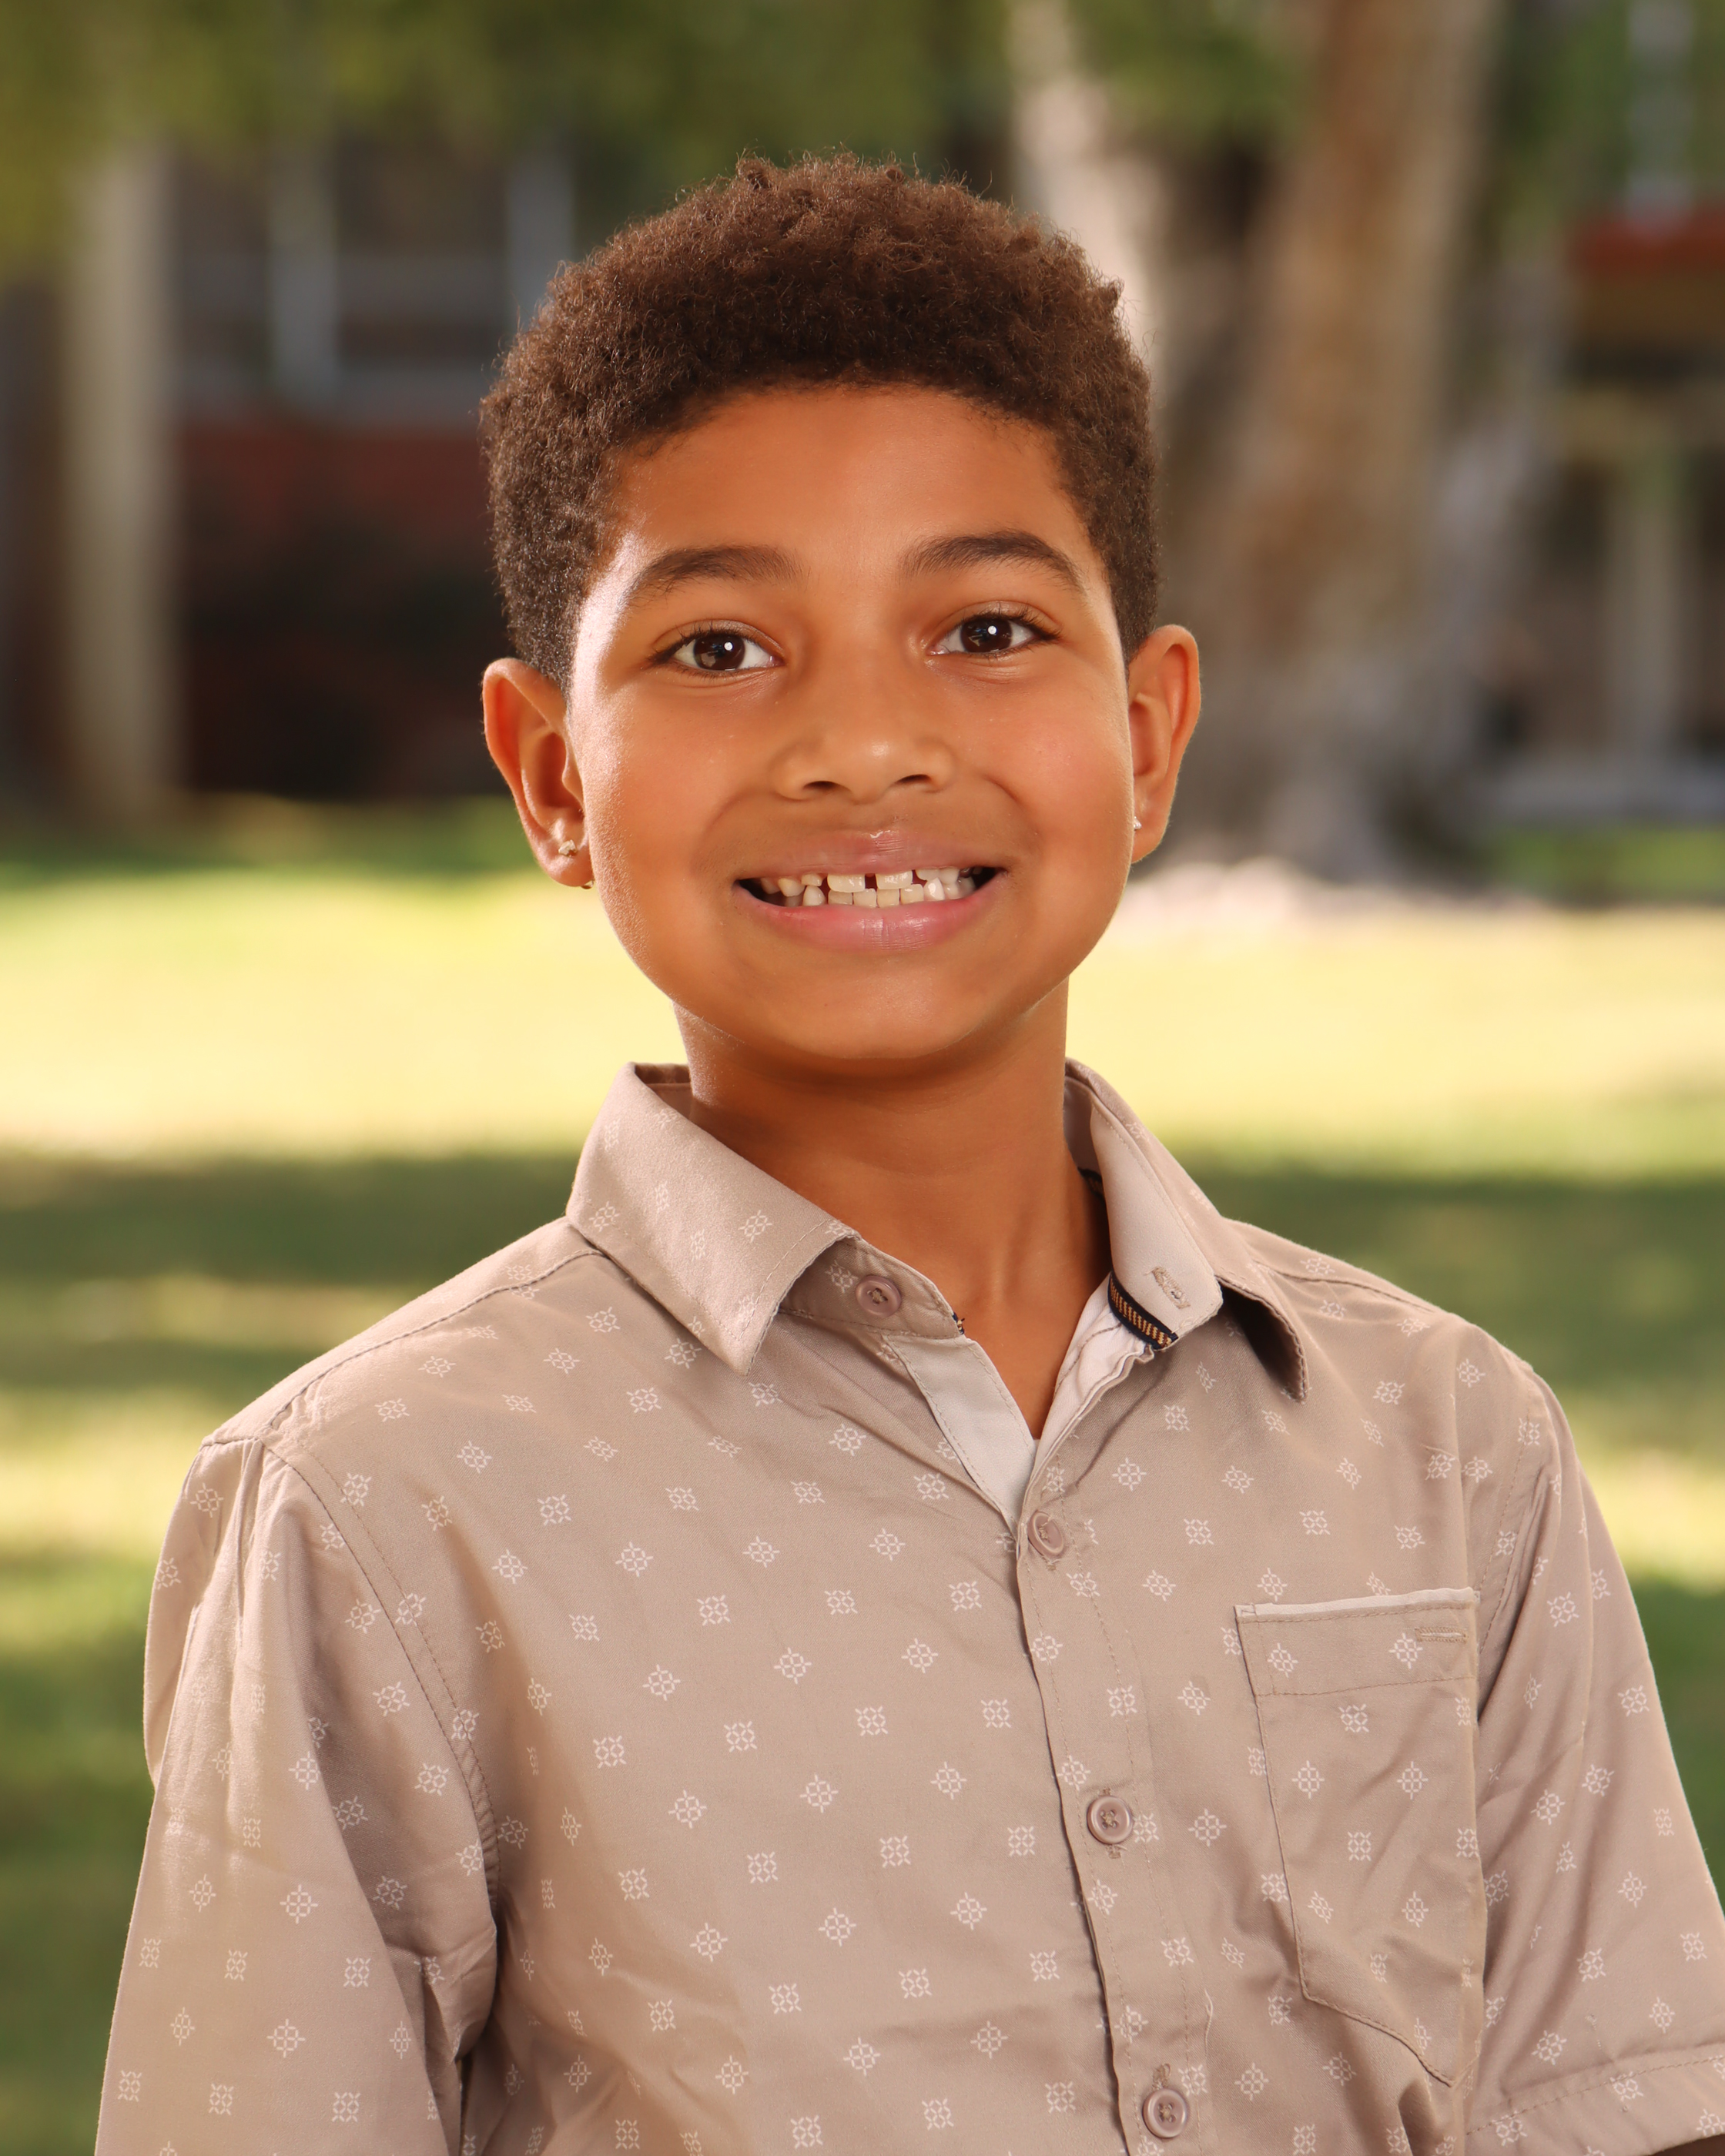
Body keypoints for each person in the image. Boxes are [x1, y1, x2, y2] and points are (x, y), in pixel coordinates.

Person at [97, 156, 1725, 2156]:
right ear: (551, 775)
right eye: (720, 649)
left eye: (985, 628)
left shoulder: (1452, 1446)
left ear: (1150, 738)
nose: (865, 744)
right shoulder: (374, 1513)